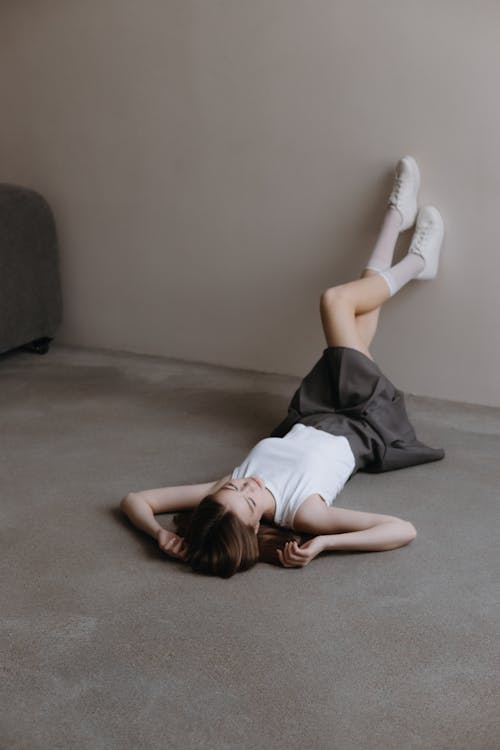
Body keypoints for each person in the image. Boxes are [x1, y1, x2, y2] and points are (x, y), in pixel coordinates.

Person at [120, 156, 445, 579]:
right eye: (249, 500)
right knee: (336, 301)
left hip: (318, 407)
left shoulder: (220, 490)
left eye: (235, 488)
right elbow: (402, 529)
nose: (245, 486)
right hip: (364, 418)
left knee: (357, 315)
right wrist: (328, 543)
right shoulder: (304, 513)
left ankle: (397, 222)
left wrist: (158, 535)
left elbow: (134, 500)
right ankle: (416, 258)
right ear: (256, 526)